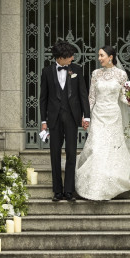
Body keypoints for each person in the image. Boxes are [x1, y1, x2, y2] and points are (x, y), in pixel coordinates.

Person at [75, 45, 130, 201]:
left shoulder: (121, 75)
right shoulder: (95, 74)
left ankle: (111, 183)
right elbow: (91, 97)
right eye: (99, 55)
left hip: (113, 116)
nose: (99, 58)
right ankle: (94, 187)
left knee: (111, 149)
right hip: (98, 115)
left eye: (102, 55)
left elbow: (122, 97)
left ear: (111, 57)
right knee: (96, 147)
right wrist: (85, 116)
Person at [39, 41, 90, 202]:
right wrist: (43, 121)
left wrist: (86, 116)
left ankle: (69, 190)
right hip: (53, 119)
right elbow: (43, 98)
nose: (73, 58)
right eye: (70, 56)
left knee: (71, 152)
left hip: (71, 116)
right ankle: (57, 191)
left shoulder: (76, 70)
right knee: (54, 153)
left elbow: (83, 94)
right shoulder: (46, 71)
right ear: (60, 58)